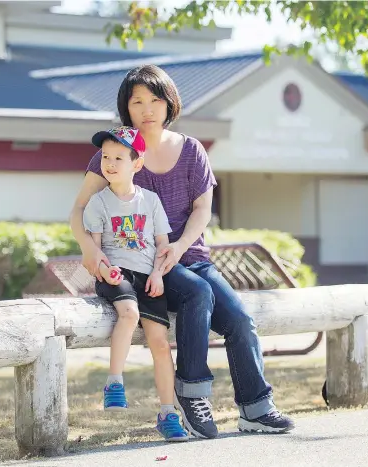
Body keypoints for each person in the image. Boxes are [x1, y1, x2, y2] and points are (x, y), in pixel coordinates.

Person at [70, 64, 295, 439]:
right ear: (126, 107)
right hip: (141, 264)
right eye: (137, 101)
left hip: (188, 256)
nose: (147, 109)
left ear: (169, 102)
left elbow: (202, 210)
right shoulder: (114, 154)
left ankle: (256, 408)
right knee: (195, 292)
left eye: (155, 100)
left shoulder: (191, 150)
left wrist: (179, 245)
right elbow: (79, 209)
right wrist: (88, 249)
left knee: (239, 320)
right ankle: (191, 396)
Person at [81, 125, 188, 442]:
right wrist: (106, 269)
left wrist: (158, 274)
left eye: (118, 158)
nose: (110, 164)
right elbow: (95, 247)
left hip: (148, 277)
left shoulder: (151, 201)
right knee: (128, 313)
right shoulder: (98, 202)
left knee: (159, 342)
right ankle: (114, 381)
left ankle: (168, 413)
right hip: (116, 274)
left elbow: (162, 244)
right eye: (105, 157)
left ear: (136, 163)